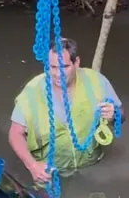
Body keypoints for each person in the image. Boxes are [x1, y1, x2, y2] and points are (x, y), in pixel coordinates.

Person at [9, 37, 123, 186]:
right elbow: (15, 133)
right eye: (53, 67)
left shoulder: (96, 81)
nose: (58, 74)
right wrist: (33, 166)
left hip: (92, 166)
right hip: (50, 172)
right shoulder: (32, 92)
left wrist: (114, 115)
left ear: (77, 63)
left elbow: (122, 114)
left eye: (64, 67)